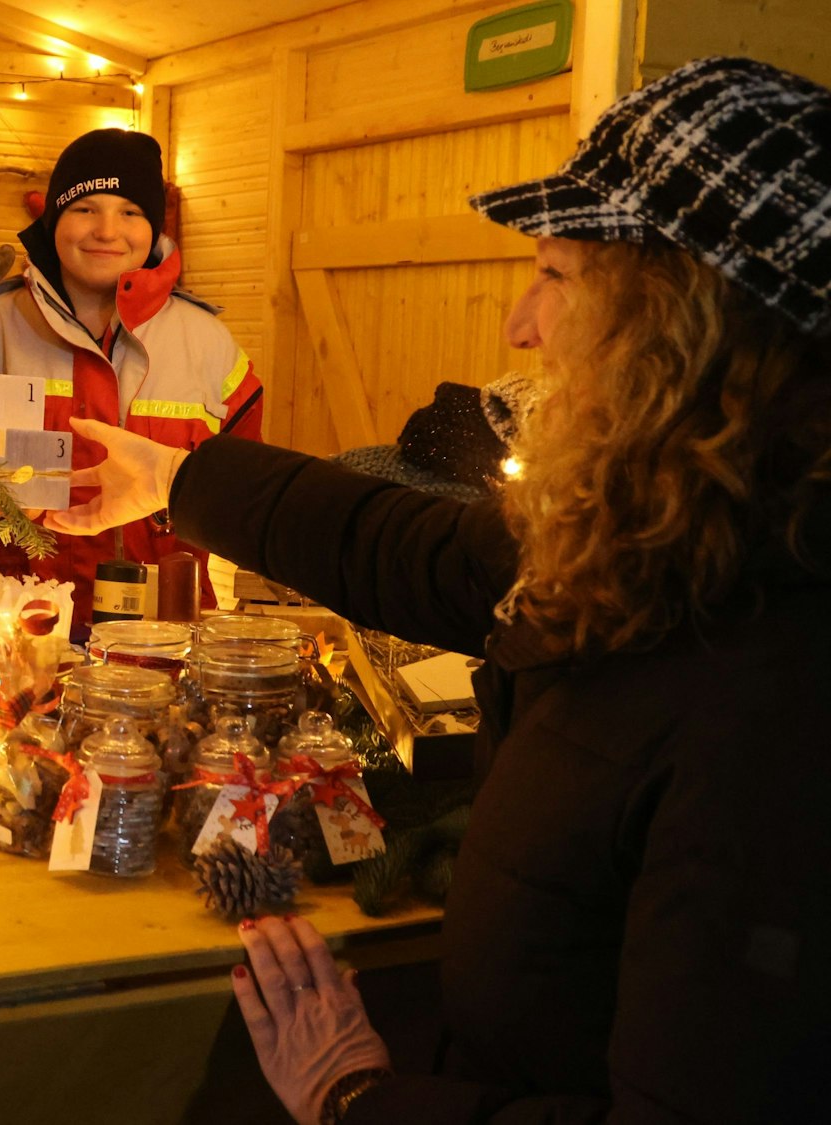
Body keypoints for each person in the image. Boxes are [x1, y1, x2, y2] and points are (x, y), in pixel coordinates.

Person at [47, 57, 831, 1123]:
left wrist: (354, 1096)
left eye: (556, 275)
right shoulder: (675, 533)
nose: (519, 325)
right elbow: (417, 548)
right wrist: (176, 477)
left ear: (680, 332)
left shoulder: (779, 705)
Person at [0, 128, 262, 626]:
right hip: (8, 628)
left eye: (130, 212)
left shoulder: (210, 345)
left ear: (154, 227)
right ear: (53, 218)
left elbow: (243, 497)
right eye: (85, 208)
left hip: (163, 636)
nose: (107, 231)